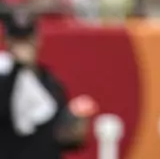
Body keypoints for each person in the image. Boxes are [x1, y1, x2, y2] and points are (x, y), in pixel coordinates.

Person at [0, 10, 96, 159]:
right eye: (18, 40)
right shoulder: (4, 74)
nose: (23, 46)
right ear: (7, 41)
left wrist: (75, 131)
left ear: (37, 39)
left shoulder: (49, 80)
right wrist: (17, 68)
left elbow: (57, 136)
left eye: (27, 39)